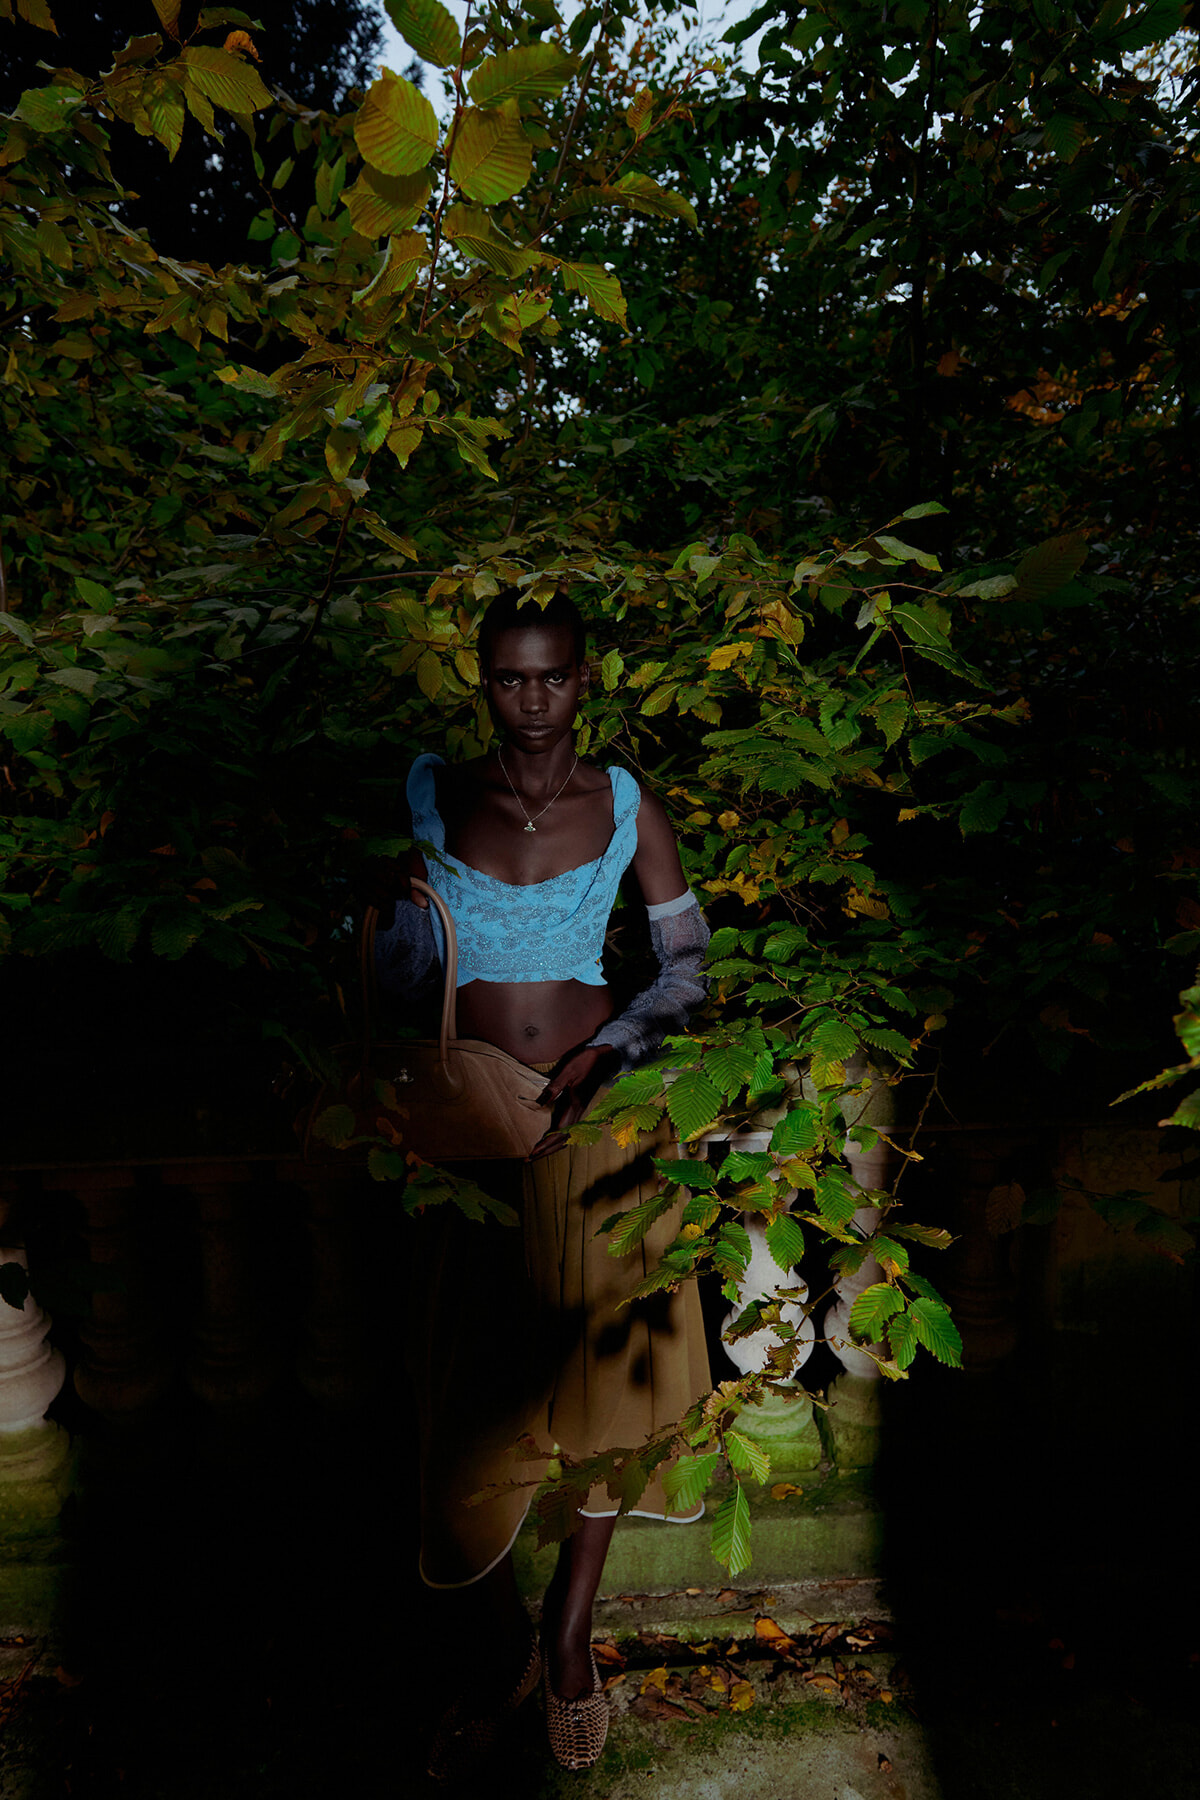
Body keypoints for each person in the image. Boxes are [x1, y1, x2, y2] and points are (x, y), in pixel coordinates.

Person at [375, 591, 712, 1775]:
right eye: (511, 680)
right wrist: (374, 936)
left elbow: (686, 966)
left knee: (606, 1372)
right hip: (471, 1125)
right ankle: (497, 1637)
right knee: (475, 1385)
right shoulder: (430, 794)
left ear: (585, 679)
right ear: (483, 683)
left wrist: (611, 1047)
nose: (533, 701)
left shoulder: (625, 804)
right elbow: (402, 966)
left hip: (601, 1116)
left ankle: (569, 1635)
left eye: (553, 677)